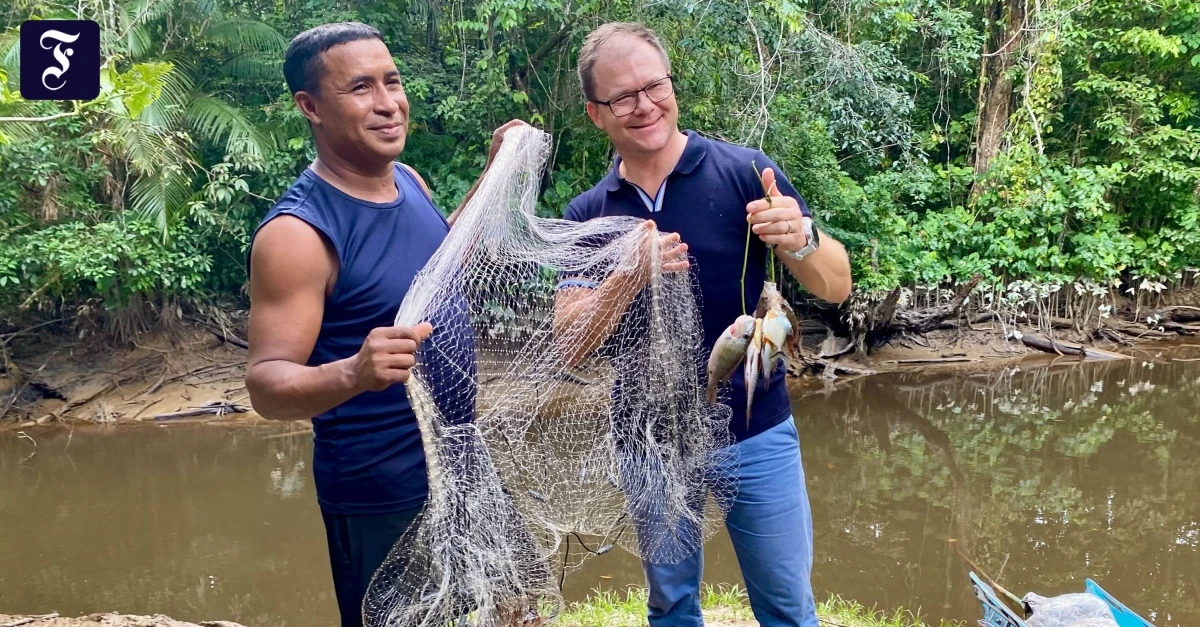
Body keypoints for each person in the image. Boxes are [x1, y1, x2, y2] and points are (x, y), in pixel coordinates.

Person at [553, 22, 853, 627]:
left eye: (654, 85)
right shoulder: (588, 214)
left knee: (788, 606)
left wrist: (804, 237)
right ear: (595, 115)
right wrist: (626, 275)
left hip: (756, 429)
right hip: (648, 441)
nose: (644, 106)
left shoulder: (745, 172)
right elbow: (567, 345)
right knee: (671, 606)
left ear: (672, 84)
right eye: (622, 98)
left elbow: (836, 284)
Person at [243, 21, 526, 627]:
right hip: (383, 494)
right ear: (310, 106)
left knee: (510, 613)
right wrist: (352, 371)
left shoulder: (409, 183)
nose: (388, 102)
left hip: (463, 465)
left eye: (391, 81)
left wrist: (495, 172)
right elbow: (266, 385)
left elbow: (445, 263)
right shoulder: (297, 234)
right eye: (361, 88)